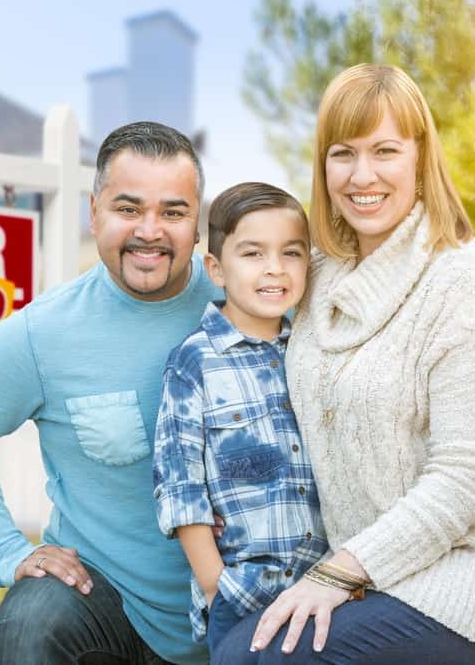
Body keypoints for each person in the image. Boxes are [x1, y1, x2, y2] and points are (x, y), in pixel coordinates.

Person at [213, 63, 475, 663]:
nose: (362, 176)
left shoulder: (461, 282)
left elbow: (466, 477)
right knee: (230, 647)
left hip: (466, 579)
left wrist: (339, 574)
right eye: (342, 153)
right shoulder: (321, 273)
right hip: (363, 573)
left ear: (419, 157)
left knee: (270, 660)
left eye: (385, 150)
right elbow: (241, 308)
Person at [0, 121, 223, 664]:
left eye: (173, 212)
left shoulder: (247, 299)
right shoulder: (44, 334)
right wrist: (6, 551)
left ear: (197, 224)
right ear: (95, 212)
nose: (149, 231)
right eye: (128, 209)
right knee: (32, 624)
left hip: (245, 603)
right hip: (109, 606)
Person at [153, 182, 328, 657]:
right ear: (216, 268)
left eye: (291, 253)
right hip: (245, 594)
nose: (274, 268)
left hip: (327, 589)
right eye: (253, 253)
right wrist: (218, 588)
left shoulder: (313, 351)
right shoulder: (195, 363)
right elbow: (180, 490)